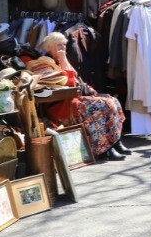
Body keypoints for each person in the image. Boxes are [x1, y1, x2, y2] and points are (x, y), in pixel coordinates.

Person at [39, 31, 131, 161]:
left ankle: (115, 141)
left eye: (64, 45)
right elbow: (69, 82)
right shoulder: (44, 63)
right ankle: (105, 149)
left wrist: (63, 59)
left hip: (73, 99)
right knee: (101, 107)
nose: (62, 48)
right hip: (61, 104)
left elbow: (75, 77)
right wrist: (64, 59)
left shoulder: (60, 60)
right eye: (58, 45)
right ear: (49, 47)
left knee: (112, 101)